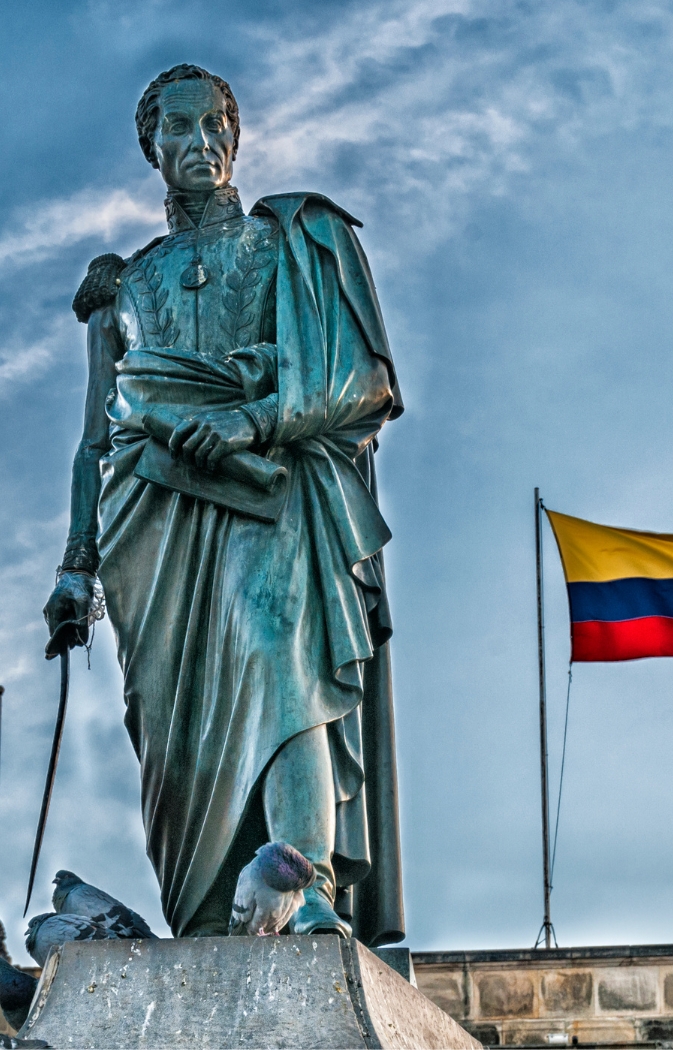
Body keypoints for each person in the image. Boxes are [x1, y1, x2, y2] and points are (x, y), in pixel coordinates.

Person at [44, 63, 404, 944]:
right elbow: (99, 438)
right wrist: (74, 566)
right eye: (178, 129)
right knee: (176, 740)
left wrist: (252, 420)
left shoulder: (293, 243)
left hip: (270, 487)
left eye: (215, 126)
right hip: (152, 526)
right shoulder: (121, 288)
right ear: (151, 147)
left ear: (237, 139)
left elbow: (363, 381)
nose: (199, 143)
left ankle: (305, 881)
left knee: (282, 656)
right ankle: (211, 919)